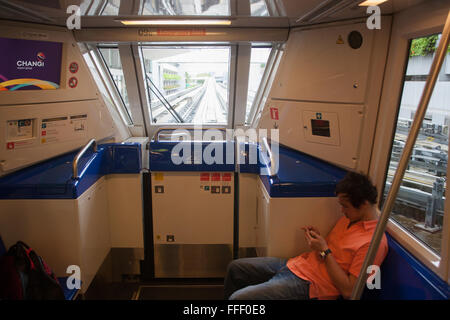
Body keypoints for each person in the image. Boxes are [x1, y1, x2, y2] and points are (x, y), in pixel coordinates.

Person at [224, 171, 388, 300]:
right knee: (235, 268)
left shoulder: (373, 243)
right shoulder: (350, 219)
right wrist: (319, 239)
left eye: (345, 207)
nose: (342, 211)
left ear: (364, 204)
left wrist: (323, 250)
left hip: (311, 285)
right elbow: (333, 251)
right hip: (298, 264)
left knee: (238, 298)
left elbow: (349, 292)